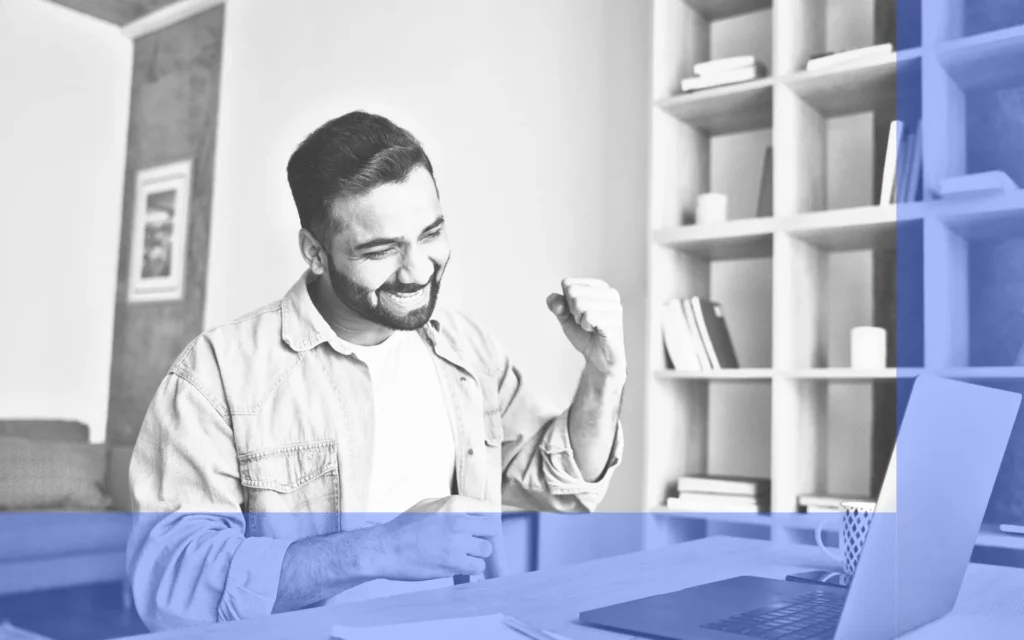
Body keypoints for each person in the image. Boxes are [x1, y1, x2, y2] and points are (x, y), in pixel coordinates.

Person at [126, 110, 626, 631]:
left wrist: (604, 374)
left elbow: (558, 483)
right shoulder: (215, 374)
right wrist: (380, 550)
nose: (418, 271)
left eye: (430, 234)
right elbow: (172, 583)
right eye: (381, 250)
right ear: (315, 253)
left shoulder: (465, 349)